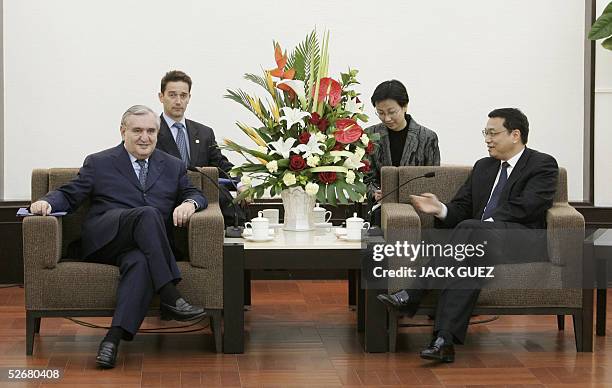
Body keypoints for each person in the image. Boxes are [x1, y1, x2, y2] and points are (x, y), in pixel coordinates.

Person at [29, 105, 208, 369]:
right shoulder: (99, 162)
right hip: (106, 238)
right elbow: (70, 193)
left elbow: (196, 193)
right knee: (148, 214)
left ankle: (112, 340)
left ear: (157, 133)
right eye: (137, 130)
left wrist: (190, 204)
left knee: (140, 263)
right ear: (123, 131)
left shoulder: (173, 165)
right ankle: (170, 294)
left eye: (150, 131)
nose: (144, 137)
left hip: (144, 247)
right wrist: (45, 202)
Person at [377, 108, 558, 363]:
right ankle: (443, 341)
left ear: (515, 134)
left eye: (493, 133)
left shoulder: (542, 164)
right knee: (468, 263)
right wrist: (439, 208)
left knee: (471, 230)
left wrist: (481, 226)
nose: (487, 139)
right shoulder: (484, 167)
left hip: (520, 239)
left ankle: (414, 293)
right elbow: (461, 207)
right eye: (485, 133)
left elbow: (529, 206)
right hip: (478, 243)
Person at [155, 70, 245, 227]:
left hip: (206, 199)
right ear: (161, 97)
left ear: (189, 98)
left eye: (183, 95)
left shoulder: (204, 133)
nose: (178, 101)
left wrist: (240, 184)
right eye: (172, 95)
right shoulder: (150, 132)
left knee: (231, 205)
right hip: (169, 202)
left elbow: (221, 166)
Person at [364, 80, 440, 225]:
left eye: (392, 112)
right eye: (380, 113)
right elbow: (365, 177)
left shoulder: (427, 137)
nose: (387, 118)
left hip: (417, 210)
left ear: (405, 106)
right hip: (381, 209)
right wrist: (374, 193)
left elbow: (433, 179)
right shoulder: (370, 135)